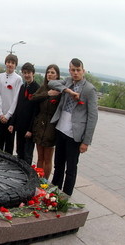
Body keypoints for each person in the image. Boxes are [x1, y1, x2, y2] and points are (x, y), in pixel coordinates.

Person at [49, 58, 98, 196]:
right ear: (69, 70)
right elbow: (51, 82)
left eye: (78, 70)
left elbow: (93, 117)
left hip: (74, 135)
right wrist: (68, 91)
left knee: (70, 169)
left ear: (83, 71)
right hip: (61, 130)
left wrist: (86, 141)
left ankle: (65, 197)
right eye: (72, 70)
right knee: (58, 165)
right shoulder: (68, 82)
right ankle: (53, 193)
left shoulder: (89, 89)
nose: (75, 73)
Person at [31, 64, 61, 179]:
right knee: (40, 157)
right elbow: (33, 98)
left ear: (57, 75)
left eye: (52, 72)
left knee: (48, 158)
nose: (49, 74)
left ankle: (45, 181)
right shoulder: (43, 87)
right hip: (40, 124)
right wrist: (47, 94)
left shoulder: (60, 90)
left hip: (51, 126)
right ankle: (38, 179)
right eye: (48, 72)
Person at [8, 62, 40, 164]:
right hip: (20, 126)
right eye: (24, 73)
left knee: (27, 154)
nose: (26, 75)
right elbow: (18, 106)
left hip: (29, 128)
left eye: (28, 73)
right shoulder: (23, 87)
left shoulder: (37, 88)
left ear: (33, 73)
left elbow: (36, 111)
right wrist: (12, 123)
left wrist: (30, 130)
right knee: (19, 151)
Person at [0, 54, 22, 154]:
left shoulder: (18, 79)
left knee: (9, 143)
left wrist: (8, 115)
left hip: (11, 116)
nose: (10, 65)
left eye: (12, 63)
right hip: (1, 114)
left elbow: (16, 98)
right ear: (5, 63)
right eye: (8, 62)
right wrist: (1, 113)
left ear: (15, 65)